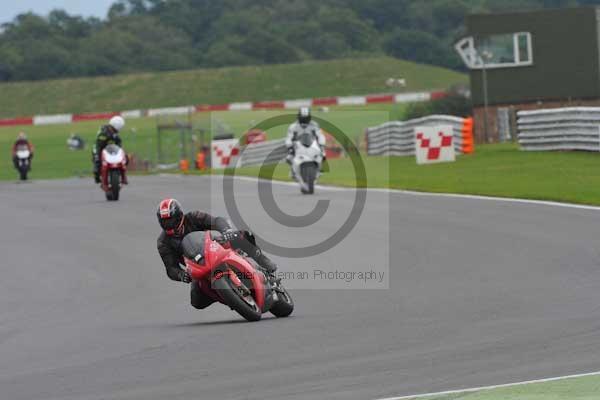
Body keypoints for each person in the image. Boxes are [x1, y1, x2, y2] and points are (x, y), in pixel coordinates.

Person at [156, 198, 279, 310]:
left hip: (214, 248)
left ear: (179, 216)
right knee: (197, 302)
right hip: (197, 267)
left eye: (170, 220)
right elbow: (171, 268)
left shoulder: (193, 217)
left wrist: (226, 231)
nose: (168, 224)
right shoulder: (163, 243)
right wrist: (181, 275)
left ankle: (263, 262)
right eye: (165, 221)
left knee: (241, 236)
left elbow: (216, 221)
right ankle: (228, 295)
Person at [92, 116, 125, 183]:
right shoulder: (104, 132)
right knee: (97, 160)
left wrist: (121, 149)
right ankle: (97, 176)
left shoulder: (114, 132)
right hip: (99, 147)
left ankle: (123, 176)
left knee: (125, 158)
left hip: (110, 148)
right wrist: (97, 157)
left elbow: (119, 141)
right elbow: (99, 145)